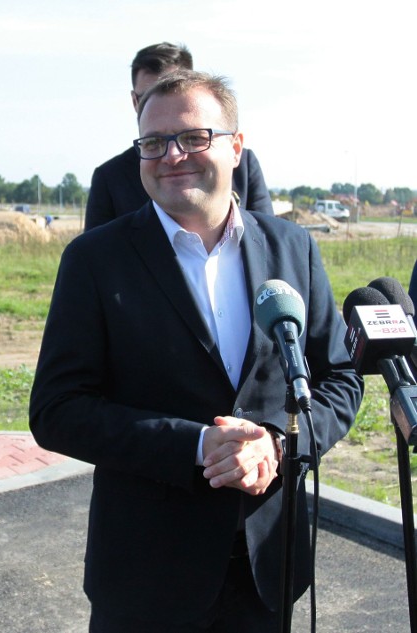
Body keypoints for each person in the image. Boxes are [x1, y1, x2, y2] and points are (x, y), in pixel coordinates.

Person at [30, 71, 363, 632]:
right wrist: (198, 445)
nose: (171, 155)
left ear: (236, 146)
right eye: (153, 143)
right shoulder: (95, 259)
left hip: (267, 567)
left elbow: (338, 378)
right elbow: (57, 411)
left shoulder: (292, 246)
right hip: (146, 575)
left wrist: (279, 446)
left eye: (193, 137)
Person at [85, 42, 274, 230]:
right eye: (149, 96)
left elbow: (265, 238)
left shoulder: (244, 165)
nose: (173, 156)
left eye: (173, 89)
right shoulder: (110, 177)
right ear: (135, 101)